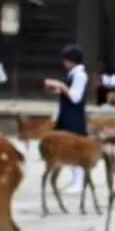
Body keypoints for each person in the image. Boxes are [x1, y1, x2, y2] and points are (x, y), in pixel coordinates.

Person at [44, 44, 89, 192]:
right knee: (65, 145)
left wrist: (61, 86)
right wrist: (58, 90)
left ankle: (79, 180)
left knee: (73, 146)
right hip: (67, 114)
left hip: (74, 116)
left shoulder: (80, 75)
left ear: (71, 61)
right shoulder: (73, 74)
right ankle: (75, 179)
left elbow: (75, 97)